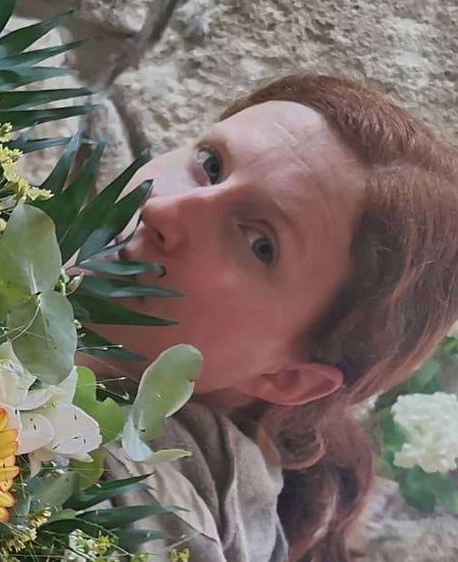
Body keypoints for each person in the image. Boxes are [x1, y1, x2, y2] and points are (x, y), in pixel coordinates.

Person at [81, 74, 458, 562]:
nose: (164, 210)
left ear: (289, 377)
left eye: (260, 244)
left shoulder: (110, 515)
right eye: (211, 166)